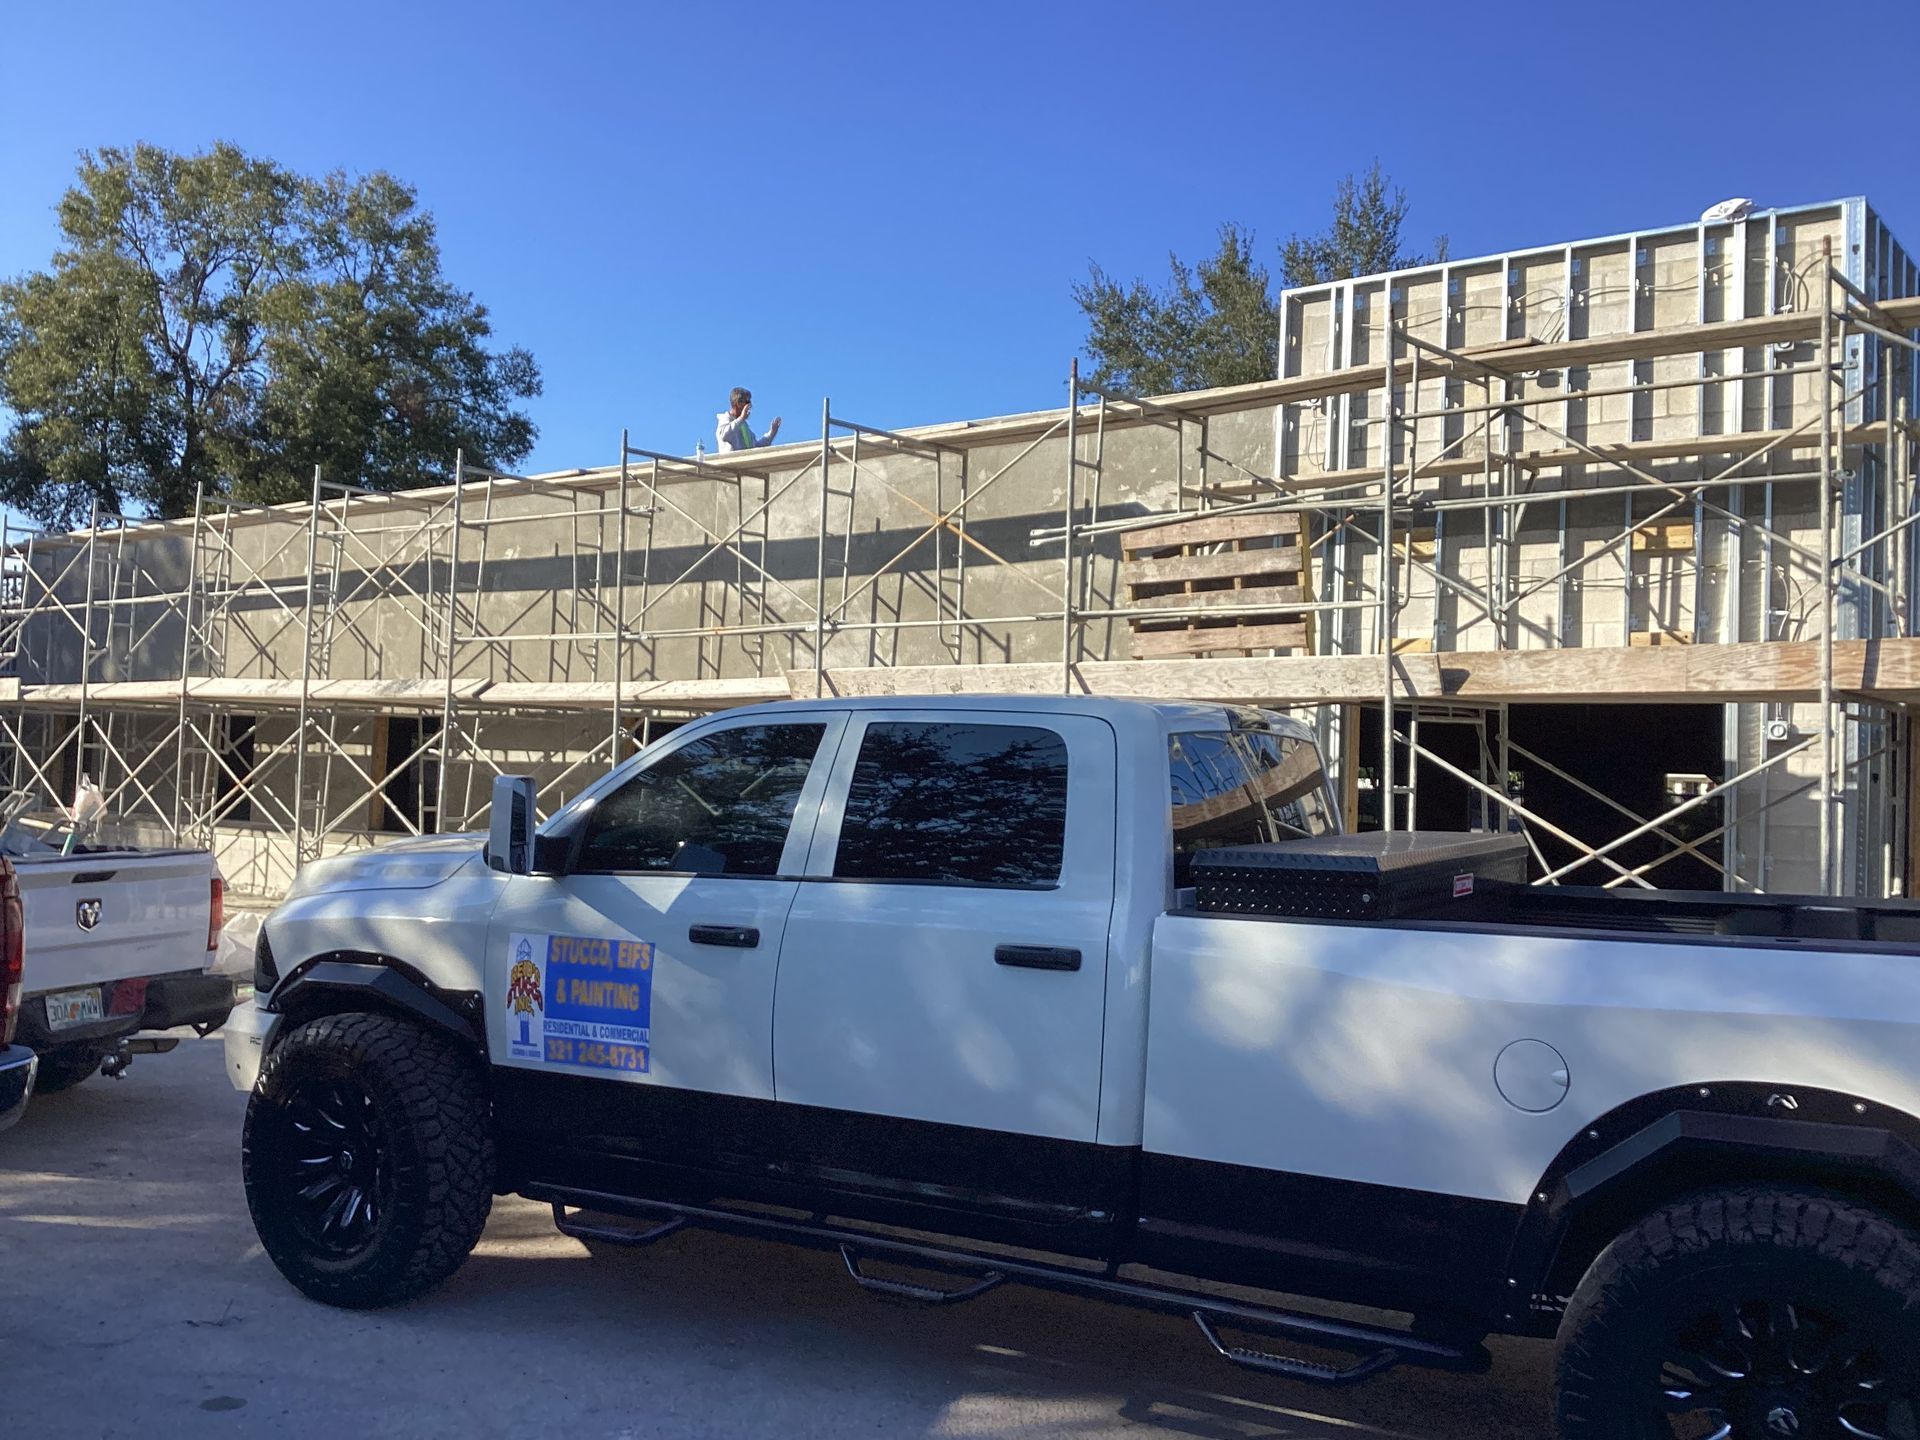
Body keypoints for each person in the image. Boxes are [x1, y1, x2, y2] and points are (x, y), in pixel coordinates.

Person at [714, 387, 782, 451]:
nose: (750, 406)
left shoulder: (744, 426)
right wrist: (741, 419)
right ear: (738, 403)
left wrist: (771, 433)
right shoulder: (725, 419)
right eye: (747, 402)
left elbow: (755, 447)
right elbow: (724, 435)